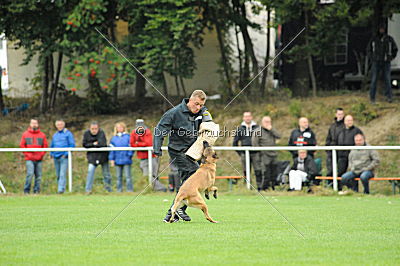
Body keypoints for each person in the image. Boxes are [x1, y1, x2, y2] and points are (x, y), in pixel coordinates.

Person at [154, 90, 212, 223]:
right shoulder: (173, 113)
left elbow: (208, 123)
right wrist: (157, 149)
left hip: (192, 152)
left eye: (201, 105)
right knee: (194, 174)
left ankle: (170, 215)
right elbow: (159, 131)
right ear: (190, 100)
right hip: (177, 151)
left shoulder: (202, 112)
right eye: (196, 104)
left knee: (188, 180)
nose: (198, 108)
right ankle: (181, 209)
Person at [131, 119, 166, 192]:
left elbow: (148, 143)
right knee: (147, 175)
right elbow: (132, 144)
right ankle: (159, 188)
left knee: (152, 175)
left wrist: (138, 144)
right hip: (143, 157)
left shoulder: (147, 131)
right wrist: (140, 145)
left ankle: (159, 188)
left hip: (151, 157)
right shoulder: (134, 132)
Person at [368, 24, 398, 104]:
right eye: (380, 29)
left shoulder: (389, 39)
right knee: (374, 79)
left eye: (383, 29)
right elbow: (369, 50)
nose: (382, 30)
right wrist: (372, 58)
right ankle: (372, 98)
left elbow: (395, 49)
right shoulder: (374, 39)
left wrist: (391, 57)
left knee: (387, 79)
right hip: (376, 61)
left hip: (386, 62)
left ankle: (389, 97)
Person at [252, 116, 281, 191]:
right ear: (262, 122)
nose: (268, 123)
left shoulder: (272, 130)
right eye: (266, 122)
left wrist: (271, 130)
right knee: (265, 173)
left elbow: (279, 136)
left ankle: (274, 187)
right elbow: (255, 144)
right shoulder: (257, 131)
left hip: (273, 155)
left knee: (274, 172)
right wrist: (260, 153)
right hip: (264, 155)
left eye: (269, 122)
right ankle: (264, 188)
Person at [20, 118, 48, 194]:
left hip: (39, 159)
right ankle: (26, 191)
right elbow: (22, 146)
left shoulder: (42, 135)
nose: (34, 125)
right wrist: (28, 155)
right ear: (30, 124)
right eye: (32, 123)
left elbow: (45, 146)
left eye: (35, 123)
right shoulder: (25, 134)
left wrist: (41, 155)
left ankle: (36, 191)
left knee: (38, 176)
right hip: (29, 158)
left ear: (38, 124)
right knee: (30, 174)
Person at [233, 111, 261, 184]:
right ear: (243, 118)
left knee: (258, 170)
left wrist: (260, 150)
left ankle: (260, 187)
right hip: (244, 153)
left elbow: (261, 140)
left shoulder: (257, 127)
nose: (247, 118)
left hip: (256, 153)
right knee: (246, 171)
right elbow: (235, 142)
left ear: (251, 117)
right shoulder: (239, 128)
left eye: (249, 116)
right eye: (246, 116)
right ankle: (247, 187)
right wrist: (240, 153)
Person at [82, 121, 112, 193]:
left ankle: (108, 190)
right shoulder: (86, 134)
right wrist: (94, 143)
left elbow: (102, 143)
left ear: (98, 128)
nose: (94, 130)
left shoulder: (101, 133)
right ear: (90, 128)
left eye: (95, 129)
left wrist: (92, 144)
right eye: (92, 129)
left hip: (103, 156)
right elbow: (85, 144)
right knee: (90, 172)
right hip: (92, 156)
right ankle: (88, 190)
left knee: (106, 174)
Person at [336, 115, 363, 187]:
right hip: (342, 156)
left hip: (354, 156)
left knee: (354, 173)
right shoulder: (340, 131)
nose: (350, 122)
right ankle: (339, 189)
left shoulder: (357, 131)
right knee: (340, 172)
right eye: (348, 120)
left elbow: (361, 142)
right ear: (344, 122)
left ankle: (354, 190)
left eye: (351, 120)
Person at [50, 119, 75, 194]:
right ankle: (60, 188)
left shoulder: (68, 134)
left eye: (61, 124)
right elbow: (52, 145)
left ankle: (60, 190)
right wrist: (52, 153)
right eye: (58, 125)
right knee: (58, 174)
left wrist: (66, 154)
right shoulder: (55, 135)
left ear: (63, 125)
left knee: (62, 174)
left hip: (64, 157)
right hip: (56, 157)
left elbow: (72, 145)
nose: (59, 126)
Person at [109, 122, 133, 192]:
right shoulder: (113, 138)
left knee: (128, 176)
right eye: (118, 127)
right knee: (118, 177)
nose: (119, 129)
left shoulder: (128, 137)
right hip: (117, 160)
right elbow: (112, 150)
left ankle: (129, 190)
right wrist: (112, 159)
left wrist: (129, 156)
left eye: (121, 127)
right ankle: (119, 190)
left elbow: (131, 147)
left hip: (126, 160)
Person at [325, 108, 345, 180]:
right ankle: (330, 187)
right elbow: (328, 138)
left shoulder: (345, 126)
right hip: (331, 151)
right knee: (330, 171)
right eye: (339, 114)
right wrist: (327, 148)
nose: (340, 116)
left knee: (341, 171)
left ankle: (340, 187)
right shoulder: (332, 126)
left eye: (342, 114)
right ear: (336, 115)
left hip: (342, 152)